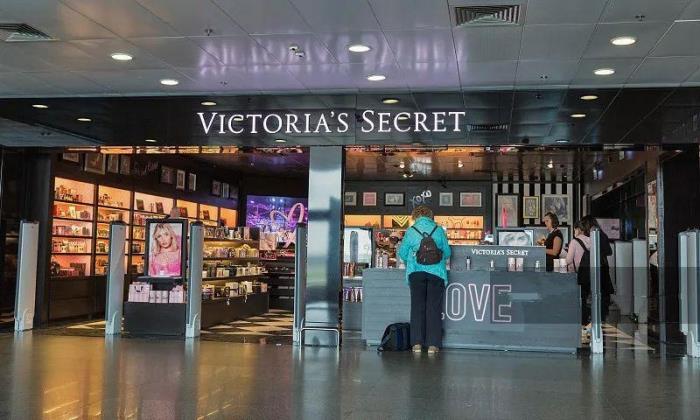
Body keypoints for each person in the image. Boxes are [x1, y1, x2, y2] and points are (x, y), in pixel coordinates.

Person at [397, 205, 451, 354]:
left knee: (417, 307)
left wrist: (412, 259)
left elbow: (402, 253)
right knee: (434, 308)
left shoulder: (411, 231)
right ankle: (433, 345)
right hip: (436, 273)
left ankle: (416, 344)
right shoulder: (439, 230)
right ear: (430, 216)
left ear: (415, 216)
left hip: (416, 272)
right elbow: (447, 253)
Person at [580, 215, 614, 323]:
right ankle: (599, 319)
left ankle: (597, 319)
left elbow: (608, 251)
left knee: (598, 294)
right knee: (601, 294)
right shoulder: (600, 234)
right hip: (601, 268)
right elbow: (608, 251)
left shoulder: (597, 234)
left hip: (598, 268)